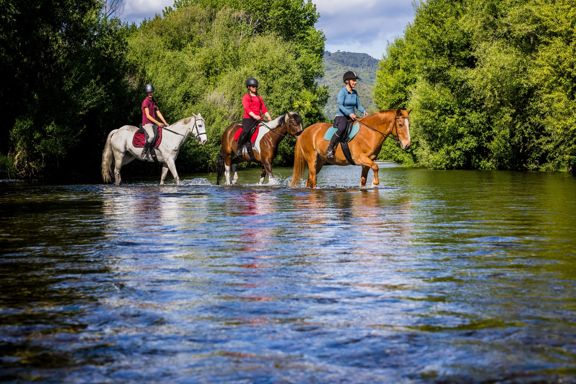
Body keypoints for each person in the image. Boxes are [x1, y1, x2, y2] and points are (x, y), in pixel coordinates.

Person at [326, 71, 366, 159]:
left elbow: (358, 105)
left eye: (355, 80)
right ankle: (330, 148)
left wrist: (364, 111)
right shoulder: (342, 92)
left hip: (352, 117)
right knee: (342, 128)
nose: (355, 82)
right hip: (341, 117)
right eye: (353, 80)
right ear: (347, 81)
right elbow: (340, 105)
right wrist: (349, 113)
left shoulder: (355, 93)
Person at [237, 77, 272, 156]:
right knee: (245, 131)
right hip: (248, 119)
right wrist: (255, 116)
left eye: (255, 86)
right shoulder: (246, 97)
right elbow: (247, 108)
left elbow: (263, 108)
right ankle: (239, 148)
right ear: (249, 87)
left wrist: (269, 117)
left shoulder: (259, 98)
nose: (254, 88)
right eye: (253, 86)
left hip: (258, 119)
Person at [141, 83, 169, 158]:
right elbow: (148, 115)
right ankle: (145, 150)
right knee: (151, 136)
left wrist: (165, 122)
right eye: (148, 92)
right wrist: (158, 123)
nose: (150, 94)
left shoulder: (153, 101)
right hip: (147, 123)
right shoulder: (145, 102)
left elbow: (158, 112)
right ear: (147, 93)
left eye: (151, 92)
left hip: (154, 123)